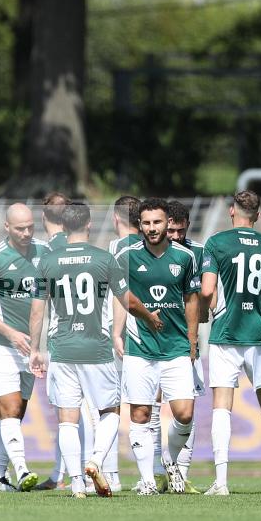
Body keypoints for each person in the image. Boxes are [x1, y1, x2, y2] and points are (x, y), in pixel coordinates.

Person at [29, 203, 162, 498]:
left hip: (61, 349)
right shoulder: (105, 259)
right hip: (96, 348)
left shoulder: (48, 261)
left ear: (63, 227)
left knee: (67, 419)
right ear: (89, 224)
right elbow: (127, 300)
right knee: (111, 411)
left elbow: (38, 311)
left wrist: (35, 350)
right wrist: (149, 316)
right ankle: (96, 460)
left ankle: (77, 483)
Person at [200, 190, 261, 496]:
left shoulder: (216, 243)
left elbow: (208, 291)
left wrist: (214, 308)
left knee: (222, 406)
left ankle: (222, 482)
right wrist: (259, 308)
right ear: (258, 215)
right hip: (259, 336)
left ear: (231, 212)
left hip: (225, 334)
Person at [115, 198, 199, 495]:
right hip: (140, 348)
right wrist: (145, 317)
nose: (152, 228)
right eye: (147, 223)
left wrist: (192, 339)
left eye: (157, 222)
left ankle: (168, 457)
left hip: (175, 347)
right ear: (140, 225)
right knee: (139, 414)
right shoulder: (127, 257)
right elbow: (122, 296)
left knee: (185, 413)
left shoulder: (185, 257)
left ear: (167, 224)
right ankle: (147, 480)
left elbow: (191, 299)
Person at [0, 203, 48, 492]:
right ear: (7, 228)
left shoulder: (43, 252)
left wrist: (35, 344)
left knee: (16, 412)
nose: (27, 233)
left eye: (30, 227)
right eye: (20, 228)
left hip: (32, 347)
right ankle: (23, 469)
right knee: (10, 405)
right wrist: (10, 333)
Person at [164, 199, 208, 494]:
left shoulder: (200, 253)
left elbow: (205, 301)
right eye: (171, 231)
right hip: (151, 342)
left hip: (185, 342)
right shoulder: (145, 252)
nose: (176, 236)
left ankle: (181, 472)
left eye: (180, 231)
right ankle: (155, 472)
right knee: (149, 410)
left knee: (188, 410)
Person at [33, 192, 71, 492]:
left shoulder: (47, 255)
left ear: (44, 218)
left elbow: (40, 306)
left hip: (62, 342)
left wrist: (35, 348)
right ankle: (66, 471)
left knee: (66, 412)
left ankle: (66, 475)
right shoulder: (85, 248)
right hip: (94, 340)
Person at [109, 195, 144, 492]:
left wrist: (115, 331)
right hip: (157, 333)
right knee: (149, 407)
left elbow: (120, 293)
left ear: (115, 218)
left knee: (109, 405)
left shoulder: (116, 248)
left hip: (128, 335)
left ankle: (112, 474)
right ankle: (159, 471)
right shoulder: (152, 246)